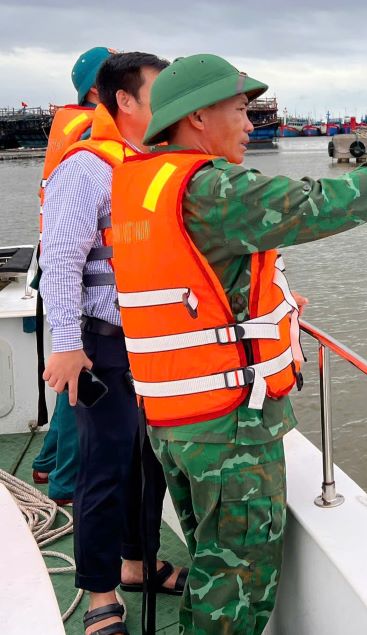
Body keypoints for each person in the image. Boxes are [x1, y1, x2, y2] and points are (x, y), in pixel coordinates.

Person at [109, 53, 367, 634]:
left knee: (211, 564)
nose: (252, 124)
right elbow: (322, 204)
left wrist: (271, 305)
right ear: (199, 118)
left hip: (174, 421)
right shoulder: (213, 190)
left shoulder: (144, 183)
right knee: (233, 591)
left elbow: (197, 283)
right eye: (240, 110)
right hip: (228, 432)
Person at [40, 51, 188, 635]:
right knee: (103, 471)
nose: (171, 103)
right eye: (161, 91)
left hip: (153, 346)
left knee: (147, 467)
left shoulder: (150, 163)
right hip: (101, 345)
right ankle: (101, 593)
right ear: (124, 101)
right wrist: (66, 343)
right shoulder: (87, 167)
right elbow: (61, 262)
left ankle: (137, 563)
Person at [31, 46, 115, 505]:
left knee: (73, 380)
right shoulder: (92, 133)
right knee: (76, 381)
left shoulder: (74, 126)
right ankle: (64, 482)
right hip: (78, 274)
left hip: (64, 261)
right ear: (100, 91)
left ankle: (46, 464)